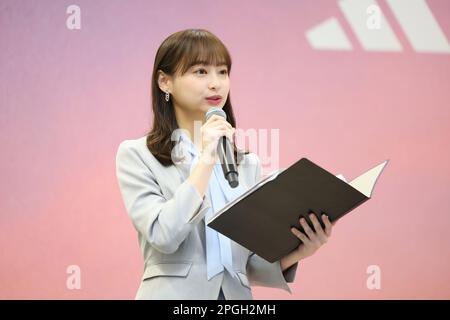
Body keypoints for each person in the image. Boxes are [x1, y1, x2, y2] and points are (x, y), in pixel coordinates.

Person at [115, 28, 335, 300]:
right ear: (165, 82)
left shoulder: (246, 164)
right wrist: (206, 160)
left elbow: (243, 267)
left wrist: (299, 251)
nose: (216, 83)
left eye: (222, 72)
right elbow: (164, 235)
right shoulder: (137, 154)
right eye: (200, 72)